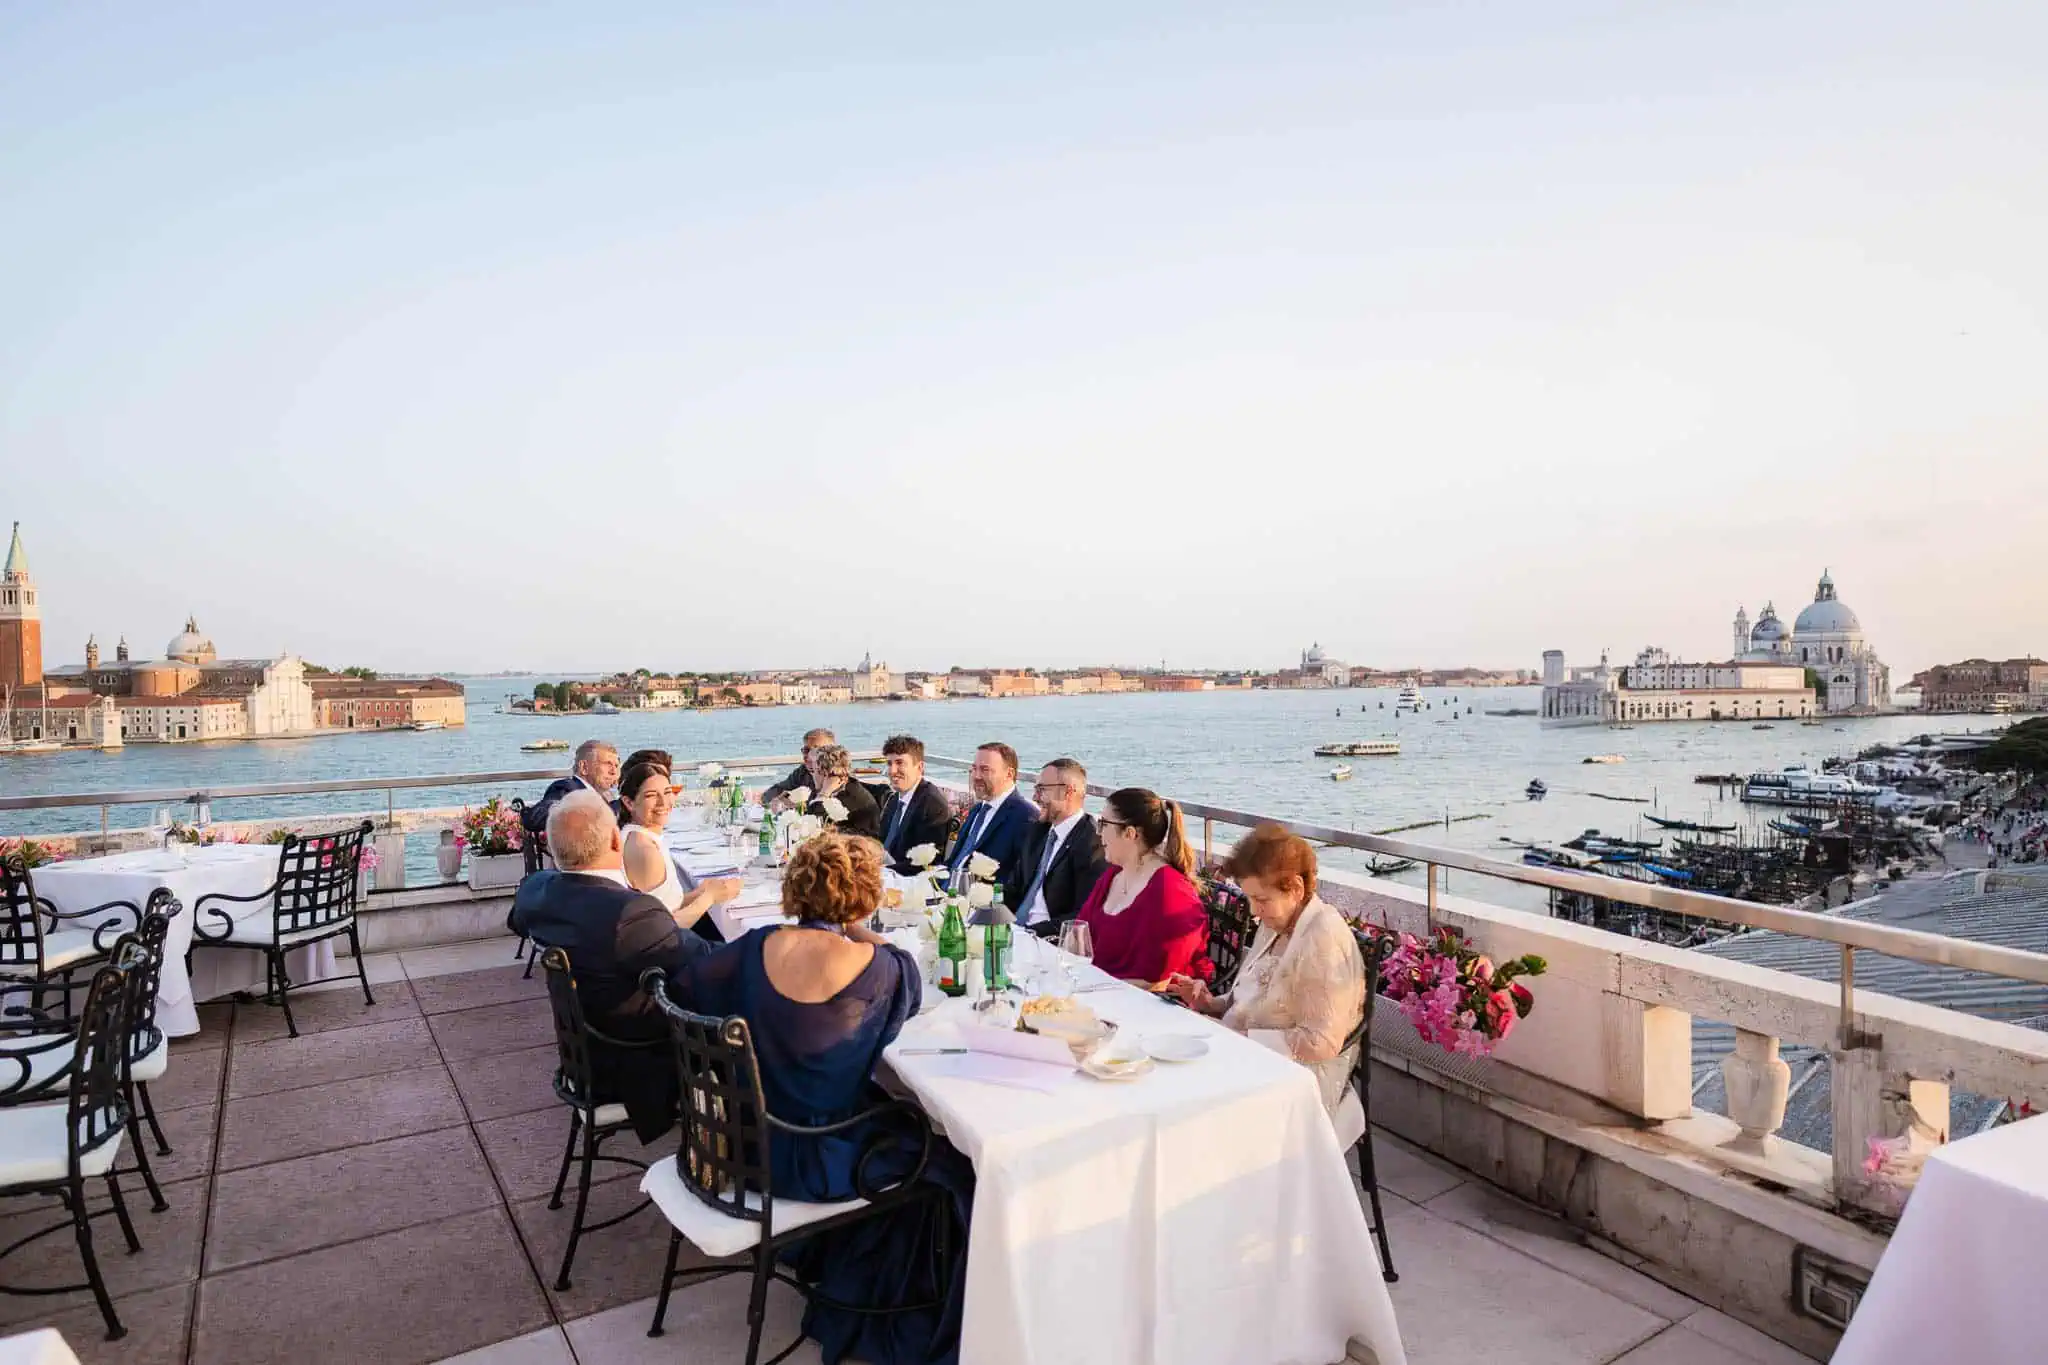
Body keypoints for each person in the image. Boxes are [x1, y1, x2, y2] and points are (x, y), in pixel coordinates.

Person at [671, 833, 968, 1364]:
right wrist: (860, 932)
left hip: (746, 1148)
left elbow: (685, 985)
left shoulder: (754, 946)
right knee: (949, 1163)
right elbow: (908, 1002)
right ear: (867, 897)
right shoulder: (884, 968)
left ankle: (831, 1254)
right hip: (824, 1159)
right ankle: (884, 1296)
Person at [506, 790, 710, 1140]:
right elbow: (706, 960)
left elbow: (517, 921)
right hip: (637, 1064)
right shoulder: (633, 913)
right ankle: (734, 1161)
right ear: (616, 838)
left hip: (585, 1056)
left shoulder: (535, 891)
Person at [1163, 824, 1367, 1143]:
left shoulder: (1322, 937)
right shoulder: (1278, 919)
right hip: (1251, 1057)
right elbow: (1253, 995)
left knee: (1184, 1106)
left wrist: (1237, 1038)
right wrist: (1209, 1002)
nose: (1255, 912)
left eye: (1262, 900)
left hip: (1299, 1078)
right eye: (1251, 900)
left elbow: (1321, 1042)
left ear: (1296, 888)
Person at [1073, 787, 1210, 984]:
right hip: (1095, 989)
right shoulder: (1112, 875)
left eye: (1103, 824)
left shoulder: (1171, 893)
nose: (1098, 832)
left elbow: (1162, 980)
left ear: (1130, 833)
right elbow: (1079, 934)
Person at [618, 759, 742, 929]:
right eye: (651, 795)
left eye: (667, 792)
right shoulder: (644, 850)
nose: (663, 802)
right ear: (629, 803)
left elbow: (665, 904)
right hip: (671, 951)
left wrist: (701, 892)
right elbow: (661, 929)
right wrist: (709, 898)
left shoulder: (642, 836)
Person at [1004, 758, 1105, 939]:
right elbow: (1013, 888)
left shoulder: (1092, 843)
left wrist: (1029, 933)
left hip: (1049, 941)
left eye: (1042, 790)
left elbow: (1083, 916)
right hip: (1014, 931)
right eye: (1035, 790)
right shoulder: (1038, 831)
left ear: (1068, 791)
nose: (1035, 797)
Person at [945, 742, 1037, 888]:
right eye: (974, 769)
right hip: (943, 894)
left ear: (1009, 774)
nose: (976, 776)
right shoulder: (978, 809)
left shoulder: (1026, 818)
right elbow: (956, 860)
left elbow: (1022, 881)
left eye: (985, 770)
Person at [877, 735, 953, 873]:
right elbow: (880, 843)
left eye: (900, 763)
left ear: (919, 767)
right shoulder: (895, 800)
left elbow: (926, 863)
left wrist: (881, 871)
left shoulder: (932, 805)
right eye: (889, 764)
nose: (892, 771)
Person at [520, 739, 619, 835]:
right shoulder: (567, 788)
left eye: (616, 766)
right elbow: (536, 818)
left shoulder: (603, 796)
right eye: (608, 764)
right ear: (584, 767)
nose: (614, 772)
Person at [806, 744, 883, 839]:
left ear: (825, 773)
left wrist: (824, 793)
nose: (812, 775)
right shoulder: (842, 787)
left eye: (813, 771)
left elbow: (811, 825)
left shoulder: (850, 795)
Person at [762, 728, 835, 810]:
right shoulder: (802, 772)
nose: (809, 756)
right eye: (806, 750)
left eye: (816, 751)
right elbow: (772, 793)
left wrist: (795, 803)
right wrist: (778, 799)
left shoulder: (840, 778)